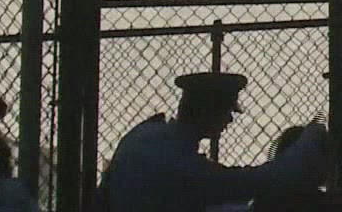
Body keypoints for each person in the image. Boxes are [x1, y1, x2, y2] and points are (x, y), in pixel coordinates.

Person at [97, 73, 327, 212]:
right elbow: (254, 182)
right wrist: (312, 136)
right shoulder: (177, 161)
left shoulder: (149, 136)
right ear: (208, 111)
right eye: (227, 111)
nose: (229, 120)